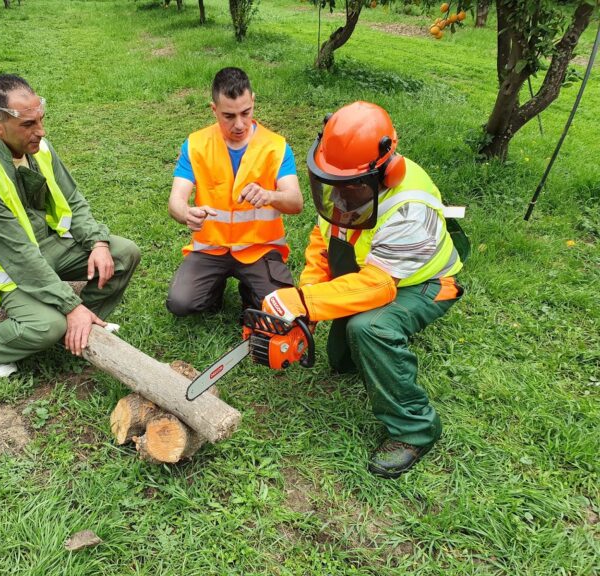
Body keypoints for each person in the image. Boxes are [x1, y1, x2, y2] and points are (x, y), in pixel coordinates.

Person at [262, 101, 465, 478]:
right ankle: (379, 354)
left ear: (384, 174)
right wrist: (308, 300)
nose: (338, 197)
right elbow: (322, 243)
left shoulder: (409, 209)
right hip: (372, 273)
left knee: (368, 329)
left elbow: (378, 285)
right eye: (333, 184)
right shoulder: (343, 187)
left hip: (423, 284)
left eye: (350, 187)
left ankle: (415, 429)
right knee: (340, 360)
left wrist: (307, 303)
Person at [0, 74, 140, 377]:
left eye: (41, 120)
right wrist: (69, 306)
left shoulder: (38, 148)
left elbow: (73, 199)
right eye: (28, 125)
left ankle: (82, 326)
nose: (41, 132)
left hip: (46, 246)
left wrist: (98, 243)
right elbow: (19, 256)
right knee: (48, 325)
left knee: (123, 253)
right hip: (6, 269)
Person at [166, 67, 303, 318]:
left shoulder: (276, 147)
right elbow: (175, 200)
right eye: (228, 116)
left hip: (259, 250)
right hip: (210, 250)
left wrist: (271, 196)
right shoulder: (195, 145)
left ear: (253, 101)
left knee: (284, 313)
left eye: (245, 113)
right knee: (181, 304)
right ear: (214, 109)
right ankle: (213, 288)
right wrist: (186, 213)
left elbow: (295, 202)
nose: (239, 124)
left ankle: (251, 291)